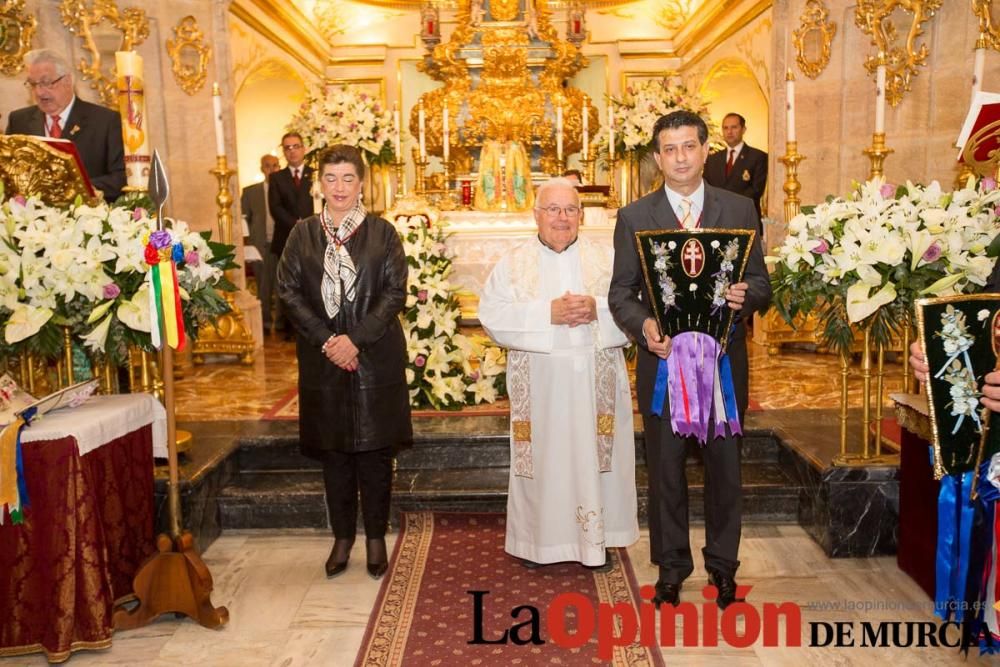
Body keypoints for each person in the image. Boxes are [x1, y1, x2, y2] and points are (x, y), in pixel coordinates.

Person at [609, 110, 771, 609]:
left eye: (689, 147)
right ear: (658, 158)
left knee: (725, 473)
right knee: (666, 472)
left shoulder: (740, 209)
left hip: (724, 367)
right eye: (670, 149)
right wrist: (644, 327)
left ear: (706, 151)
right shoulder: (636, 217)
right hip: (665, 367)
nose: (680, 157)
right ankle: (672, 569)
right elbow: (622, 293)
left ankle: (723, 568)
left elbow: (764, 283)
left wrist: (750, 295)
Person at [479, 177, 639, 569]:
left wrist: (596, 310)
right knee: (546, 462)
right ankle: (539, 544)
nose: (561, 218)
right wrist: (545, 314)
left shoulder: (608, 258)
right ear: (536, 215)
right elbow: (491, 316)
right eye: (552, 209)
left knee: (594, 459)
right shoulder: (513, 262)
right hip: (541, 384)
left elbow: (635, 310)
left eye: (570, 209)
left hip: (593, 383)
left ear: (582, 216)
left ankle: (595, 543)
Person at [276, 144, 411, 580]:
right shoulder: (302, 235)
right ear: (320, 183)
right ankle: (342, 538)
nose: (339, 187)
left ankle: (375, 537)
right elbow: (289, 291)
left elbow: (394, 293)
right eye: (331, 178)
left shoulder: (383, 233)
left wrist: (355, 341)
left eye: (348, 178)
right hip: (324, 361)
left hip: (374, 359)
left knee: (374, 454)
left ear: (361, 183)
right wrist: (330, 341)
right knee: (335, 453)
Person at [5, 49, 125, 203]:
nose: (39, 92)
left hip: (87, 217)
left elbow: (120, 177)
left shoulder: (105, 121)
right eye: (33, 84)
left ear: (68, 80)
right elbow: (8, 174)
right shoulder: (19, 120)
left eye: (46, 83)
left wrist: (75, 189)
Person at [269, 132, 315, 335]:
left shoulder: (315, 174)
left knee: (311, 281)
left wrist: (308, 224)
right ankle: (290, 328)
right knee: (289, 284)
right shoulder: (277, 178)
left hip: (314, 237)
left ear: (303, 148)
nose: (292, 151)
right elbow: (275, 207)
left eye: (296, 146)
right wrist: (297, 225)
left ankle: (312, 325)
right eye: (287, 148)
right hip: (286, 237)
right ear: (283, 152)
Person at [703, 113, 767, 228]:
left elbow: (756, 190)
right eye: (725, 128)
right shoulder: (712, 159)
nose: (729, 132)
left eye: (734, 127)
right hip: (716, 222)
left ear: (743, 129)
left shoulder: (758, 157)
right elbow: (706, 188)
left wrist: (726, 203)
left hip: (744, 220)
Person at [241, 154, 281, 333]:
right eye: (267, 166)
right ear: (261, 169)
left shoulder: (284, 188)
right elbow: (243, 220)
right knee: (263, 285)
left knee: (282, 285)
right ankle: (264, 323)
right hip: (260, 245)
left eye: (275, 166)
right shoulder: (251, 192)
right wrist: (248, 243)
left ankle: (281, 323)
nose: (271, 170)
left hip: (280, 243)